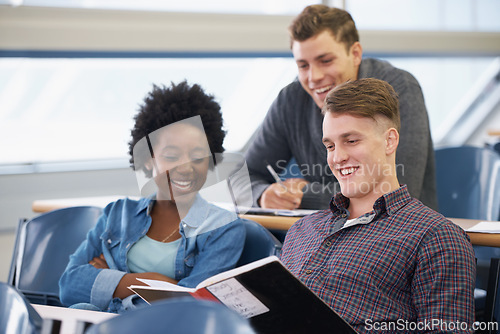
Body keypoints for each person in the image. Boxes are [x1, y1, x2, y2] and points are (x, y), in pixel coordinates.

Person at [280, 78, 475, 333]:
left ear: (389, 141)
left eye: (351, 141)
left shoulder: (436, 238)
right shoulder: (302, 230)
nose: (337, 157)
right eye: (330, 145)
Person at [59, 81, 247, 313]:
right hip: (106, 324)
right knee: (80, 308)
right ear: (149, 159)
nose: (186, 168)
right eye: (171, 156)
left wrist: (112, 279)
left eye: (198, 157)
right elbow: (68, 285)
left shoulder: (224, 229)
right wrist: (157, 282)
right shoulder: (117, 213)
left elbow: (193, 305)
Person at [245, 4, 437, 211]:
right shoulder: (291, 100)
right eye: (303, 65)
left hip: (394, 230)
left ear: (355, 54)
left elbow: (398, 190)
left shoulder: (399, 88)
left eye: (326, 61)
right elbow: (243, 176)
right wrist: (262, 195)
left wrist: (306, 195)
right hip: (325, 233)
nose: (314, 77)